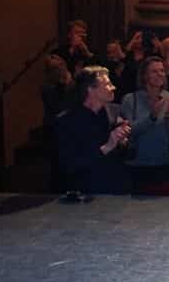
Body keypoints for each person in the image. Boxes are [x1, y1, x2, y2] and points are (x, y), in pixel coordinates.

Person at [52, 66, 132, 199]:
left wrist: (123, 142)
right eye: (108, 84)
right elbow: (69, 164)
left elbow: (129, 155)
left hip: (117, 192)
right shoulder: (66, 121)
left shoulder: (114, 112)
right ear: (90, 89)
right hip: (85, 194)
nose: (114, 87)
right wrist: (107, 147)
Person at [118, 57, 169, 190]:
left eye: (162, 71)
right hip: (137, 165)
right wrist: (152, 117)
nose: (159, 74)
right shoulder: (130, 99)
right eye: (154, 71)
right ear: (144, 76)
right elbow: (129, 131)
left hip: (165, 164)